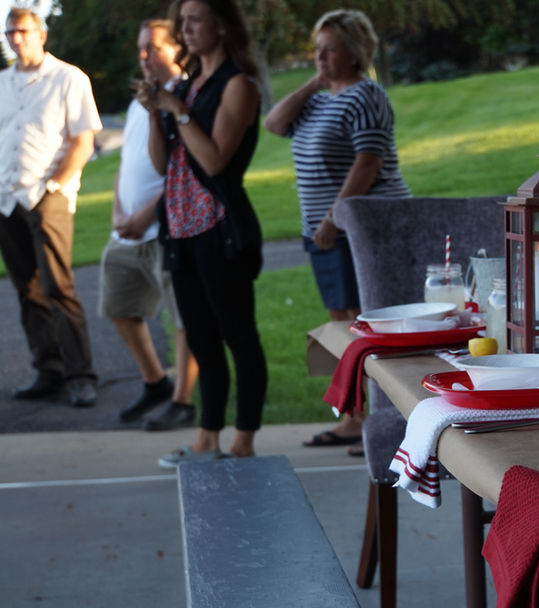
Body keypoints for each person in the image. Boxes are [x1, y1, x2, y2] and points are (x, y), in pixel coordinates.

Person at [264, 8, 410, 450]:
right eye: (318, 49)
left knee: (366, 324)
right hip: (324, 231)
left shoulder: (367, 95)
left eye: (331, 50)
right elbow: (274, 123)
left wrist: (334, 217)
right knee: (341, 323)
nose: (321, 57)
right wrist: (315, 82)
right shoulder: (318, 99)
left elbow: (368, 163)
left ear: (355, 52)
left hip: (359, 227)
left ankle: (381, 420)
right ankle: (356, 416)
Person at [132, 0, 266, 467]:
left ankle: (243, 442)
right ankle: (207, 438)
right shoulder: (188, 85)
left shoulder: (238, 85)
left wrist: (175, 108)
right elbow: (162, 164)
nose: (185, 29)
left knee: (238, 336)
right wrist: (156, 112)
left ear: (221, 26)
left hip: (220, 228)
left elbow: (213, 161)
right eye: (182, 22)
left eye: (194, 20)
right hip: (181, 230)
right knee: (202, 341)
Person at [100, 18, 199, 430]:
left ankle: (182, 401)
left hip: (167, 230)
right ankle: (155, 382)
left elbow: (186, 170)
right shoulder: (137, 102)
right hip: (126, 231)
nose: (144, 56)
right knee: (118, 307)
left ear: (177, 50)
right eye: (141, 48)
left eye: (153, 48)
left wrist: (146, 215)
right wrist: (118, 214)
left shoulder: (185, 96)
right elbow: (127, 164)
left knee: (184, 318)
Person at [0, 8, 102, 407]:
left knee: (58, 286)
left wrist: (55, 185)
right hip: (6, 200)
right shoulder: (3, 83)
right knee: (27, 290)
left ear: (41, 34)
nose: (16, 38)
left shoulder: (68, 78)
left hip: (47, 196)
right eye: (10, 32)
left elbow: (83, 142)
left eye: (23, 31)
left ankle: (81, 375)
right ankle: (49, 370)